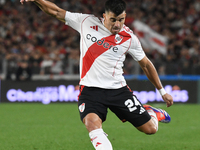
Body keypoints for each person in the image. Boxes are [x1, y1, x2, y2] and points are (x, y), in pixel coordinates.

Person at [20, 0, 173, 149]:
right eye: (113, 20)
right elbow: (56, 12)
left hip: (118, 91)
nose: (117, 24)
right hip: (90, 90)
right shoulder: (86, 22)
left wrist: (162, 91)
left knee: (150, 129)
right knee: (91, 123)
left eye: (121, 20)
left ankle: (152, 112)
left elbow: (145, 64)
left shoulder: (129, 39)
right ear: (104, 16)